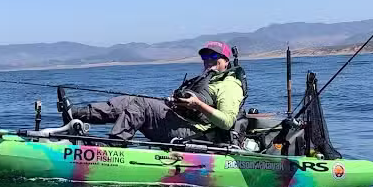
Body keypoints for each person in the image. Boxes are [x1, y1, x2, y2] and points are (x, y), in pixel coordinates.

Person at [59, 41, 247, 143]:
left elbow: (227, 122)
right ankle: (75, 114)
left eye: (213, 56)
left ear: (226, 61)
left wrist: (197, 104)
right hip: (180, 121)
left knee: (142, 105)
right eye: (205, 56)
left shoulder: (230, 85)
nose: (208, 60)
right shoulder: (209, 79)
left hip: (194, 133)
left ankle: (113, 148)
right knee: (130, 101)